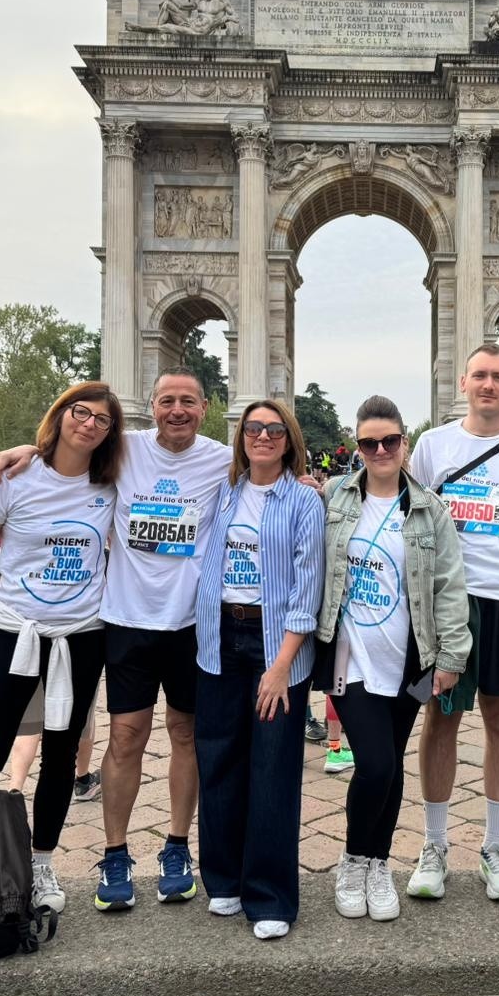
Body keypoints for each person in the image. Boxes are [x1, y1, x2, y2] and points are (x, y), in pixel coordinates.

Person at [0, 368, 232, 913]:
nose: (177, 410)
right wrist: (23, 449)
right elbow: (71, 445)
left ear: (205, 407)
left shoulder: (222, 457)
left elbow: (271, 470)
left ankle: (176, 846)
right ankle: (115, 852)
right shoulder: (123, 447)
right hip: (126, 620)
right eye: (167, 400)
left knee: (185, 734)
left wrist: (312, 484)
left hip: (192, 621)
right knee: (125, 737)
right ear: (152, 404)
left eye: (188, 402)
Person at [0, 381, 122, 916]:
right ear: (61, 413)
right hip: (12, 631)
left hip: (82, 635)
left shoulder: (112, 484)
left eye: (102, 419)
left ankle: (42, 862)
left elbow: (167, 443)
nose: (89, 424)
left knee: (61, 755)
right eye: (81, 412)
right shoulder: (12, 477)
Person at [406, 344, 499, 903]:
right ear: (462, 382)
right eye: (480, 376)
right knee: (439, 717)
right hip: (449, 601)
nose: (489, 385)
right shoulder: (432, 445)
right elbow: (410, 521)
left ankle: (497, 845)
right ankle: (435, 844)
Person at [319, 395, 470, 924]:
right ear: (357, 447)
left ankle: (379, 863)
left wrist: (451, 655)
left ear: (404, 443)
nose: (379, 450)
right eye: (368, 442)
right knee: (376, 764)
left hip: (411, 658)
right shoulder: (334, 497)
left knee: (393, 766)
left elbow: (450, 586)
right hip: (350, 657)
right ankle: (353, 860)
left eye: (389, 441)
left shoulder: (431, 508)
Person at [193, 399, 323, 940]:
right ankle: (223, 878)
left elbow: (306, 585)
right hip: (218, 636)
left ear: (289, 440)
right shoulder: (223, 491)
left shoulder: (303, 501)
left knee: (273, 766)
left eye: (273, 430)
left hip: (275, 641)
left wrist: (282, 664)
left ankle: (270, 894)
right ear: (241, 436)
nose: (262, 437)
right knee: (218, 757)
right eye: (253, 429)